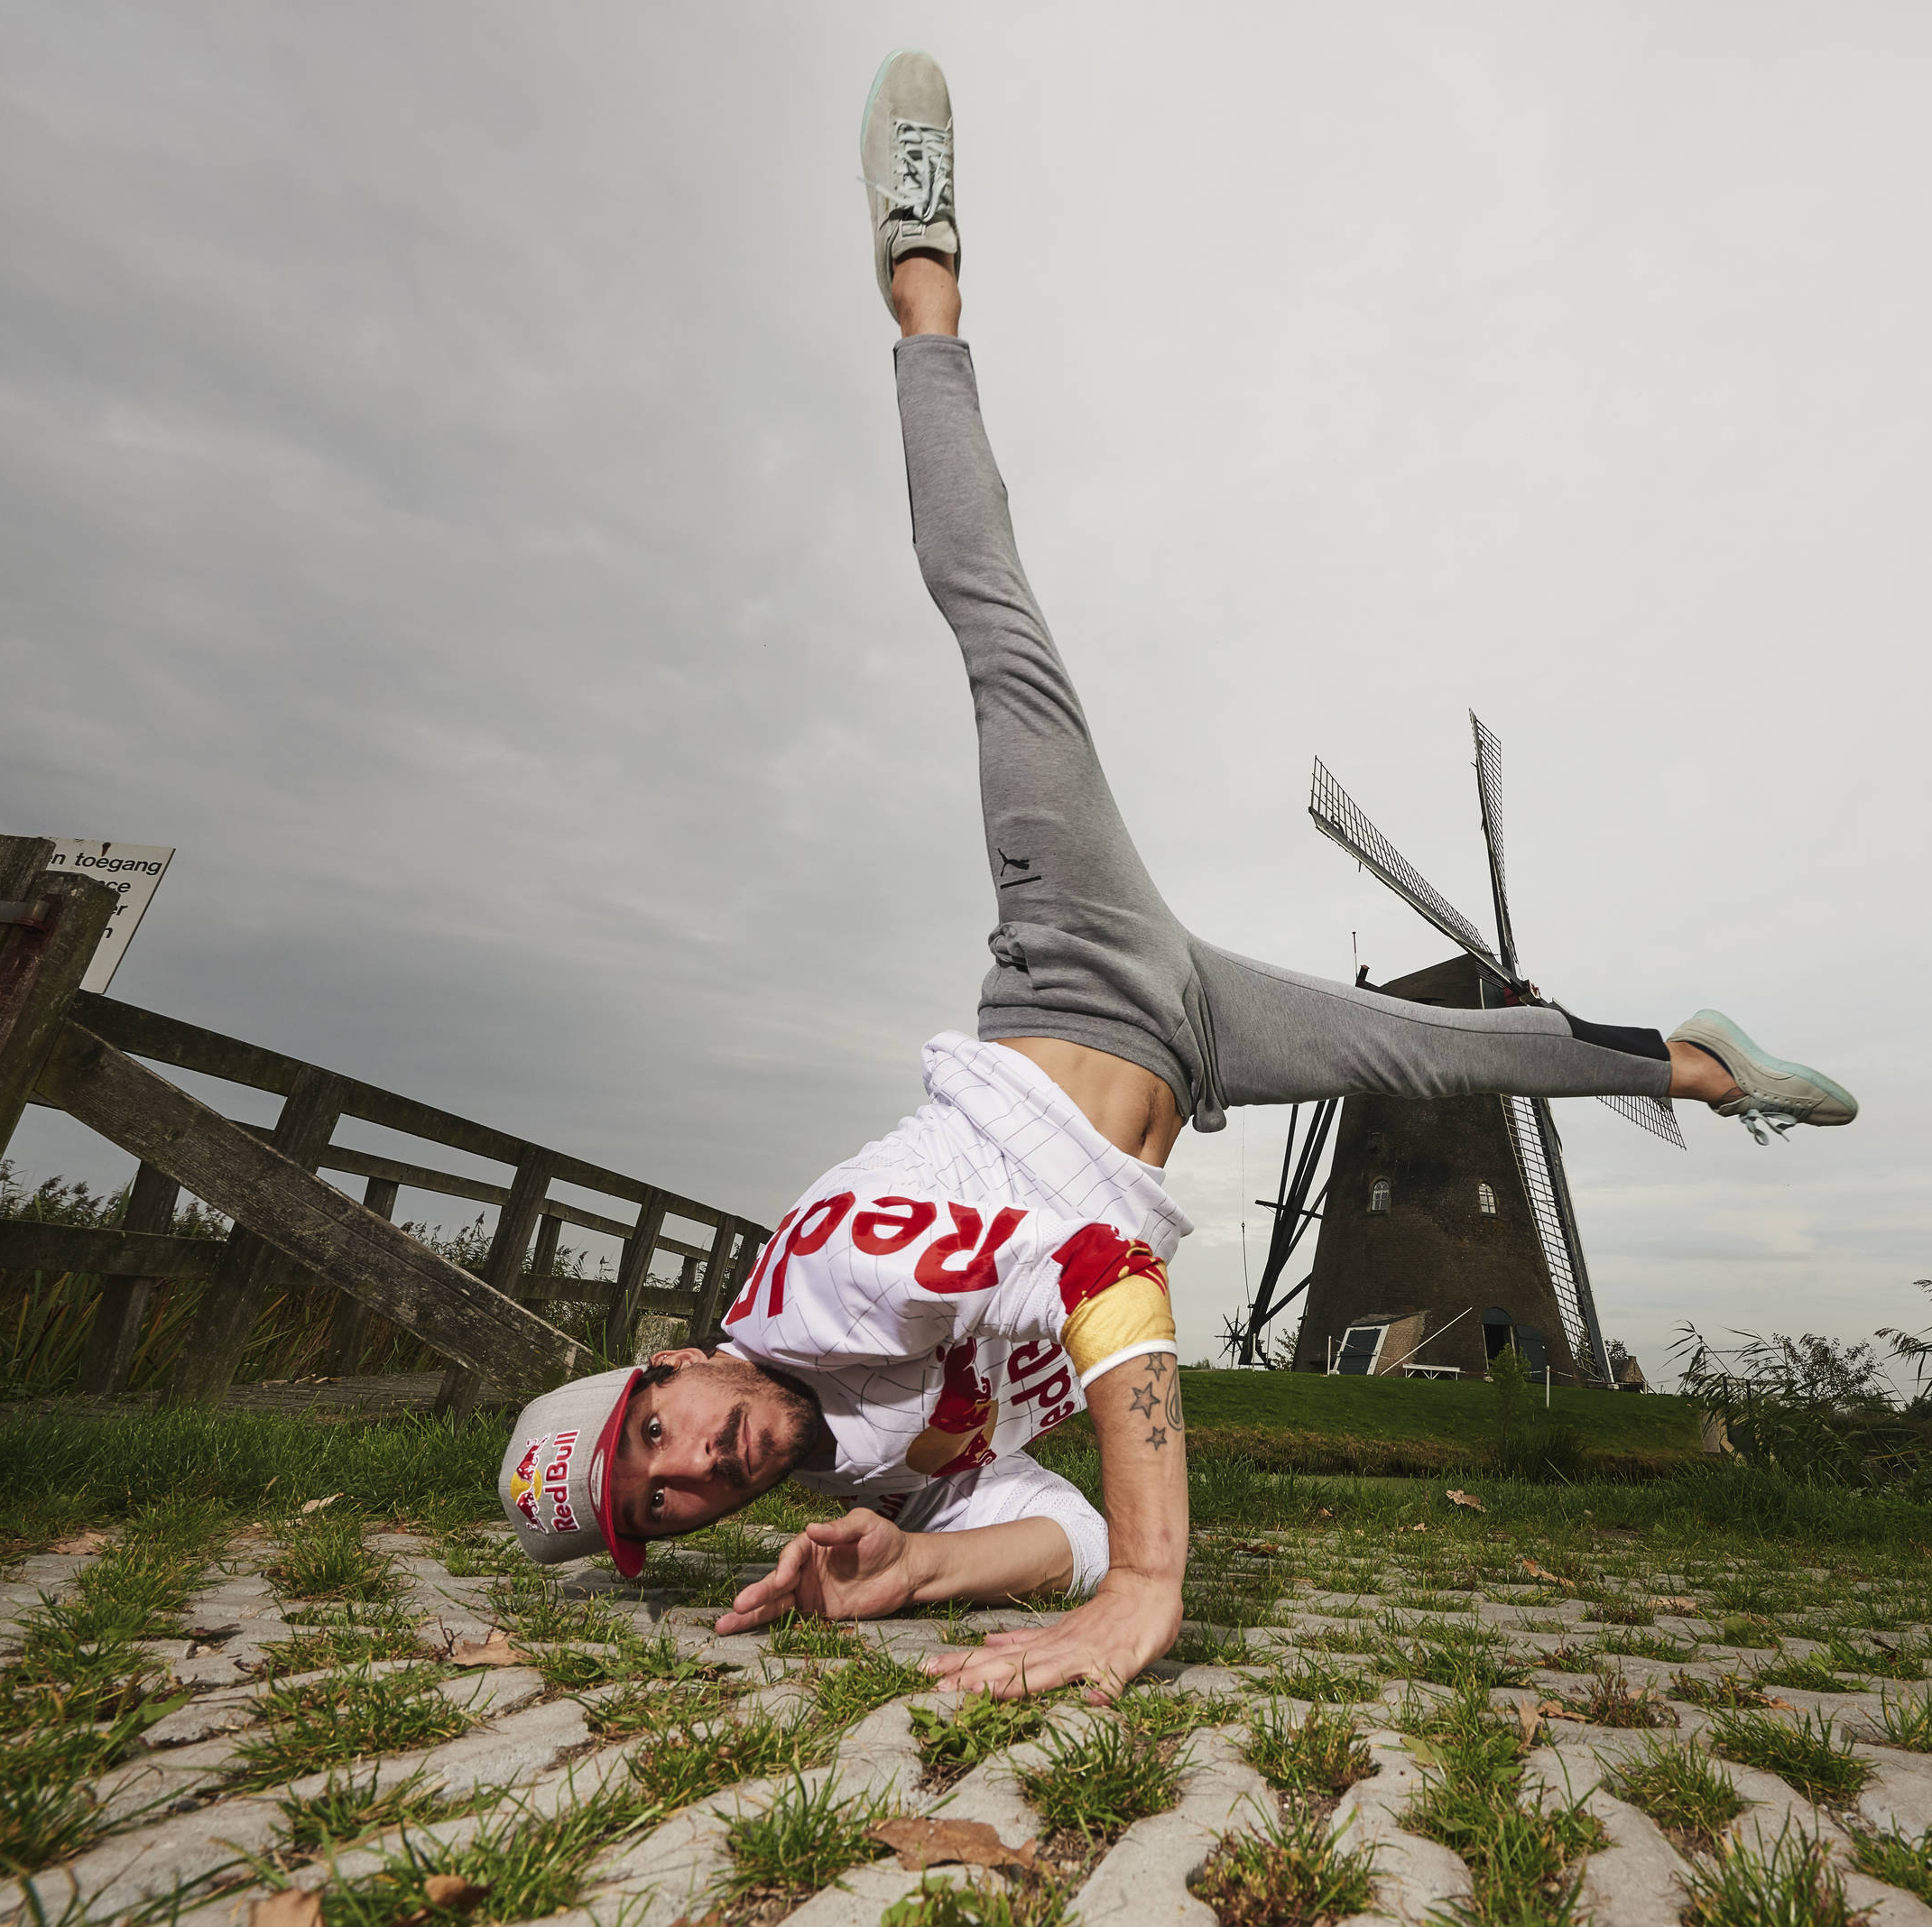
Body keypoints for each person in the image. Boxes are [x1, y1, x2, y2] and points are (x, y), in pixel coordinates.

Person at [495, 50, 1859, 1702]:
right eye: (665, 1507)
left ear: (671, 1363)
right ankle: (1705, 1067)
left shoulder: (826, 1282)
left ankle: (919, 274)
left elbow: (1097, 1274)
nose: (698, 1470)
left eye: (658, 1435)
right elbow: (1056, 1532)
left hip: (1074, 968)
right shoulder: (869, 1468)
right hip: (1191, 1038)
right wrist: (925, 1563)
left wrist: (1152, 1583)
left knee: (997, 630)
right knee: (1449, 1052)